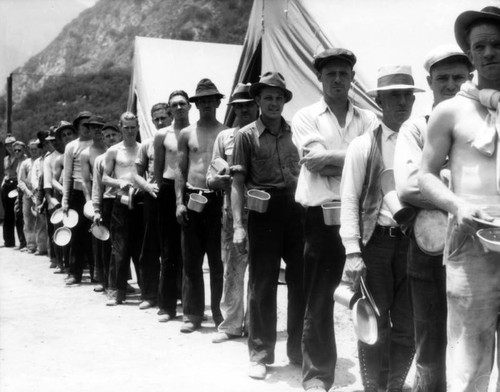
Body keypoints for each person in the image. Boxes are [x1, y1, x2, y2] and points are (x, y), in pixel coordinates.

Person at [419, 7, 500, 392]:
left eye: (497, 44)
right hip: (471, 241)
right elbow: (426, 175)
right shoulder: (450, 111)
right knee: (469, 356)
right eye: (479, 46)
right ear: (470, 55)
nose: (489, 53)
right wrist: (458, 206)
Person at [292, 48, 379, 392]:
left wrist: (337, 160)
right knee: (319, 296)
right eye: (331, 74)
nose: (338, 80)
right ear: (320, 79)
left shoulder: (368, 119)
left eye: (344, 74)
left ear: (352, 78)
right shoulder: (305, 116)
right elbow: (312, 161)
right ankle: (317, 375)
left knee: (373, 295)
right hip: (322, 215)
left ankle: (377, 376)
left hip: (362, 214)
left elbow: (377, 159)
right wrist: (359, 158)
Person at [340, 65, 423, 392]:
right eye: (393, 96)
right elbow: (348, 199)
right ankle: (373, 387)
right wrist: (352, 252)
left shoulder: (426, 142)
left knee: (408, 322)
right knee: (372, 321)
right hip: (376, 243)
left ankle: (393, 385)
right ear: (380, 102)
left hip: (415, 244)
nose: (402, 102)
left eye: (407, 95)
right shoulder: (363, 145)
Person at [394, 46, 472, 392]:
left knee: (472, 341)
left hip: (475, 248)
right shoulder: (415, 128)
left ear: (469, 79)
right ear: (430, 82)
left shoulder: (482, 124)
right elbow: (409, 187)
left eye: (459, 77)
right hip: (428, 247)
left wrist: (439, 177)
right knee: (430, 338)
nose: (451, 85)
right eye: (443, 79)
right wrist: (464, 193)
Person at [232, 72, 305, 380]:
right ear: (258, 101)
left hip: (297, 208)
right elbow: (236, 183)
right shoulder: (245, 136)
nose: (273, 103)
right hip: (262, 210)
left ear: (284, 101)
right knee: (262, 284)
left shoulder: (297, 132)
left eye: (279, 97)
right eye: (268, 98)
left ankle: (299, 350)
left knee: (301, 281)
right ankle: (260, 354)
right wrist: (238, 225)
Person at [208, 83, 259, 343]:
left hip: (261, 211)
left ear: (257, 104)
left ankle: (255, 325)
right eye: (238, 106)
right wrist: (218, 180)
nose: (244, 110)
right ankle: (230, 325)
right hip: (231, 211)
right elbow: (210, 176)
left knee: (259, 271)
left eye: (248, 104)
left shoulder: (264, 133)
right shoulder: (225, 137)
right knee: (232, 269)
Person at [175, 79, 227, 333]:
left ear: (218, 102)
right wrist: (178, 202)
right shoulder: (187, 133)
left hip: (217, 200)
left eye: (210, 100)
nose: (206, 104)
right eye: (202, 100)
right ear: (196, 105)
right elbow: (180, 170)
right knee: (191, 260)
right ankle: (193, 314)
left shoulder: (227, 133)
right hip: (193, 199)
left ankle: (220, 315)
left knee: (218, 263)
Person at [153, 90, 191, 322]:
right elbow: (157, 168)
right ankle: (167, 306)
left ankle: (189, 305)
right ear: (169, 109)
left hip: (192, 189)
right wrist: (163, 191)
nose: (178, 108)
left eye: (182, 104)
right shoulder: (162, 135)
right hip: (168, 189)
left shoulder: (194, 132)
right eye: (174, 105)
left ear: (189, 106)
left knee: (191, 251)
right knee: (168, 251)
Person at [102, 112, 143, 306]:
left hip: (140, 201)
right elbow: (104, 178)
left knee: (141, 247)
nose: (129, 131)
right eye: (126, 127)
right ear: (120, 127)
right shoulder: (114, 151)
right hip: (120, 201)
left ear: (138, 127)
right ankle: (116, 291)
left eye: (133, 127)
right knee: (119, 246)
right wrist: (120, 182)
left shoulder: (144, 148)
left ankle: (147, 291)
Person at [134, 103, 165, 310]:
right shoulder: (147, 145)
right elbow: (135, 173)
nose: (161, 122)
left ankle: (177, 293)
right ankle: (149, 294)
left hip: (175, 196)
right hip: (152, 198)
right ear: (152, 121)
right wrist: (146, 185)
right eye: (157, 119)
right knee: (150, 246)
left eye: (164, 117)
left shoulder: (182, 138)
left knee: (175, 248)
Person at [62, 111, 94, 285]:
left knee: (95, 233)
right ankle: (75, 273)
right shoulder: (71, 147)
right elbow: (67, 176)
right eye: (84, 125)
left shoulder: (98, 142)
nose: (88, 128)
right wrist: (65, 200)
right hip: (77, 193)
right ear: (78, 127)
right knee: (76, 234)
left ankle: (97, 273)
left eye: (91, 124)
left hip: (95, 192)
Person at [92, 122, 122, 294]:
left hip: (127, 200)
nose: (111, 138)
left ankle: (122, 281)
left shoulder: (127, 153)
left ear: (119, 135)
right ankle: (105, 281)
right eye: (107, 136)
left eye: (114, 135)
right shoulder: (100, 160)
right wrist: (96, 209)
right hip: (108, 201)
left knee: (123, 244)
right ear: (103, 139)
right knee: (107, 243)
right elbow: (97, 185)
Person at [80, 115, 106, 287]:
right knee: (99, 237)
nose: (96, 130)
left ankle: (122, 279)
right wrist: (90, 203)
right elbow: (85, 180)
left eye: (99, 127)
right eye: (93, 127)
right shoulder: (85, 154)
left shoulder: (111, 147)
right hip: (97, 198)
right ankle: (100, 277)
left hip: (113, 196)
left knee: (117, 238)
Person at [51, 121, 77, 274]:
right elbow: (53, 179)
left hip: (81, 194)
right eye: (64, 135)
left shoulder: (83, 151)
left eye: (69, 133)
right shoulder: (60, 158)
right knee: (66, 230)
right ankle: (68, 266)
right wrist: (63, 189)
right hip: (65, 196)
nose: (67, 137)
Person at [1, 135, 25, 248]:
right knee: (7, 214)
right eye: (8, 145)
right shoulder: (5, 159)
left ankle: (22, 241)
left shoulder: (20, 157)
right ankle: (8, 241)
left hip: (16, 185)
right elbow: (6, 173)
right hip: (6, 185)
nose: (10, 148)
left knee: (18, 213)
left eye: (12, 145)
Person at [17, 140, 40, 254]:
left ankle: (41, 246)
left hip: (39, 193)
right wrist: (28, 192)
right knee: (28, 220)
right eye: (32, 149)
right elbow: (20, 181)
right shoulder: (25, 163)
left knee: (39, 220)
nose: (34, 151)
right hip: (27, 194)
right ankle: (31, 245)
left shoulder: (42, 161)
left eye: (36, 149)